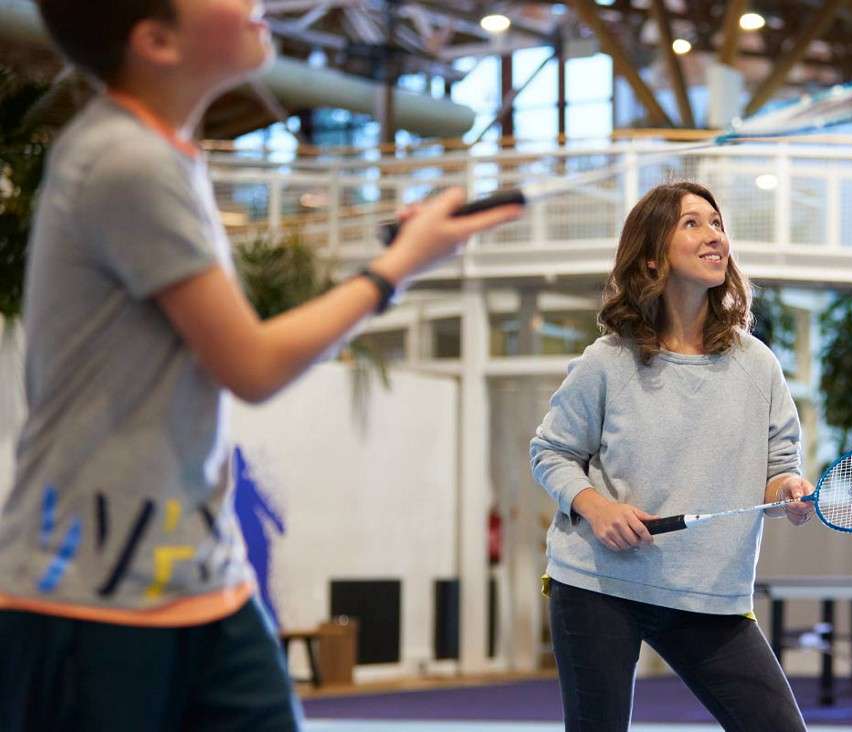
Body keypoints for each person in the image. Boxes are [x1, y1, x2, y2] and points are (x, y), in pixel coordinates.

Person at [0, 2, 522, 730]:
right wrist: (398, 267)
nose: (258, 4)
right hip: (89, 592)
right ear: (155, 40)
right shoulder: (124, 161)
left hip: (202, 577)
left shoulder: (167, 156)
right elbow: (252, 363)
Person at [530, 181, 813, 731]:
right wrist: (596, 506)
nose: (715, 236)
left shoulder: (757, 365)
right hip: (598, 586)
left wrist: (789, 492)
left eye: (717, 223)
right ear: (654, 255)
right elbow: (551, 452)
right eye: (693, 223)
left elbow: (780, 468)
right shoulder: (607, 360)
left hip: (710, 593)